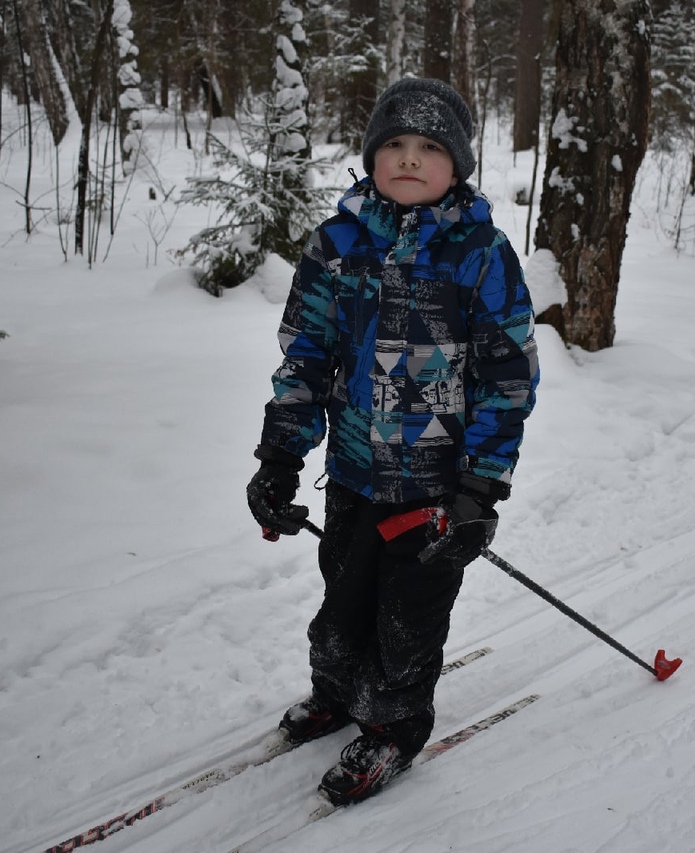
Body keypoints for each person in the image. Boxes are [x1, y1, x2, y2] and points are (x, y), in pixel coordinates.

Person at [246, 77, 539, 806]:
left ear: (457, 165)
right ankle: (340, 689)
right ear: (373, 156)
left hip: (436, 486)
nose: (409, 159)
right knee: (342, 593)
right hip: (352, 468)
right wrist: (280, 456)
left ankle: (395, 723)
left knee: (410, 611)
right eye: (395, 145)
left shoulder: (480, 253)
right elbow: (306, 354)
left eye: (430, 147)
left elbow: (508, 378)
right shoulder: (338, 242)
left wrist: (482, 486)